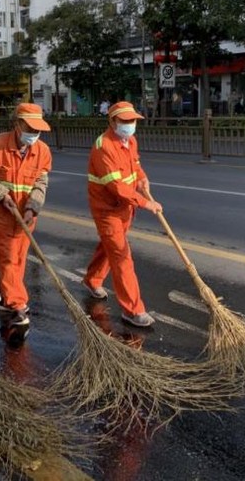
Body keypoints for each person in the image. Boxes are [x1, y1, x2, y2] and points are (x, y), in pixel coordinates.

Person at [83, 101, 162, 328]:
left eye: (133, 120)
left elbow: (135, 165)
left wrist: (142, 178)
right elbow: (117, 187)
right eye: (125, 120)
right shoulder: (103, 147)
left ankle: (92, 279)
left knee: (109, 246)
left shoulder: (130, 140)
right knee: (121, 255)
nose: (130, 124)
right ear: (112, 121)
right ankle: (133, 310)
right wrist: (145, 202)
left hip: (125, 207)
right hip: (107, 209)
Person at [0, 103, 52, 327]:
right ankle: (17, 304)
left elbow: (41, 182)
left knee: (18, 259)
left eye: (38, 130)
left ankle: (4, 296)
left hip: (25, 216)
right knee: (8, 258)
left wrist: (32, 207)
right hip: (1, 214)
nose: (34, 133)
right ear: (17, 124)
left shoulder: (43, 151)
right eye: (30, 128)